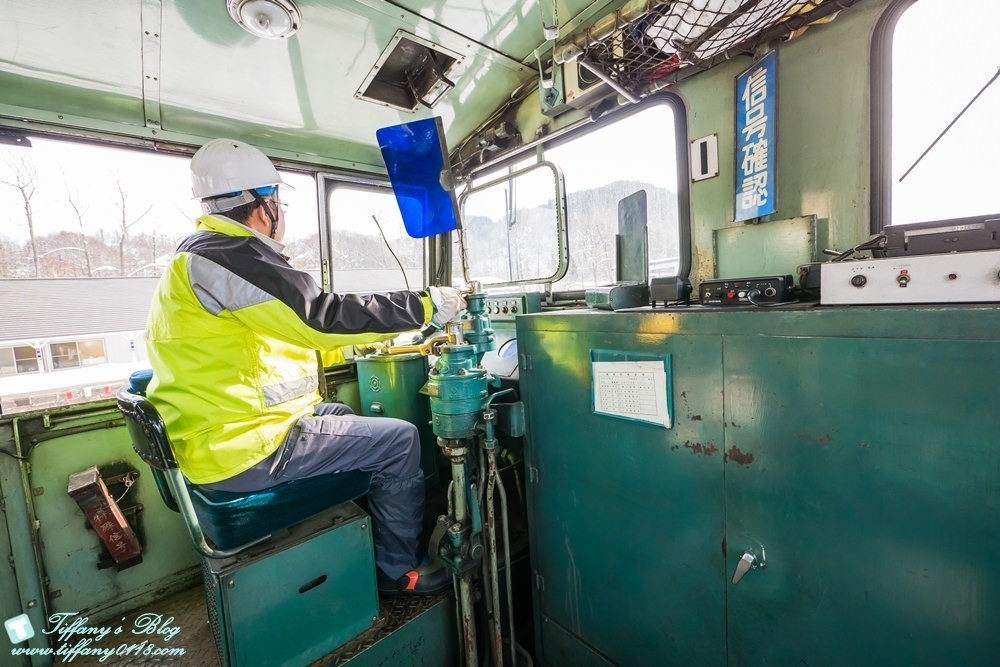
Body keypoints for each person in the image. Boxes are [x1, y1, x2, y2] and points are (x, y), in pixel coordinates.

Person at [144, 138, 466, 595]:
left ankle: (362, 543)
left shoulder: (199, 260)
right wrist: (426, 306)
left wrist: (360, 345)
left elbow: (273, 339)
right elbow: (320, 317)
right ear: (264, 205)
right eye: (279, 201)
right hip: (244, 448)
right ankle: (398, 571)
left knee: (340, 414)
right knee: (400, 440)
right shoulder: (228, 256)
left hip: (223, 436)